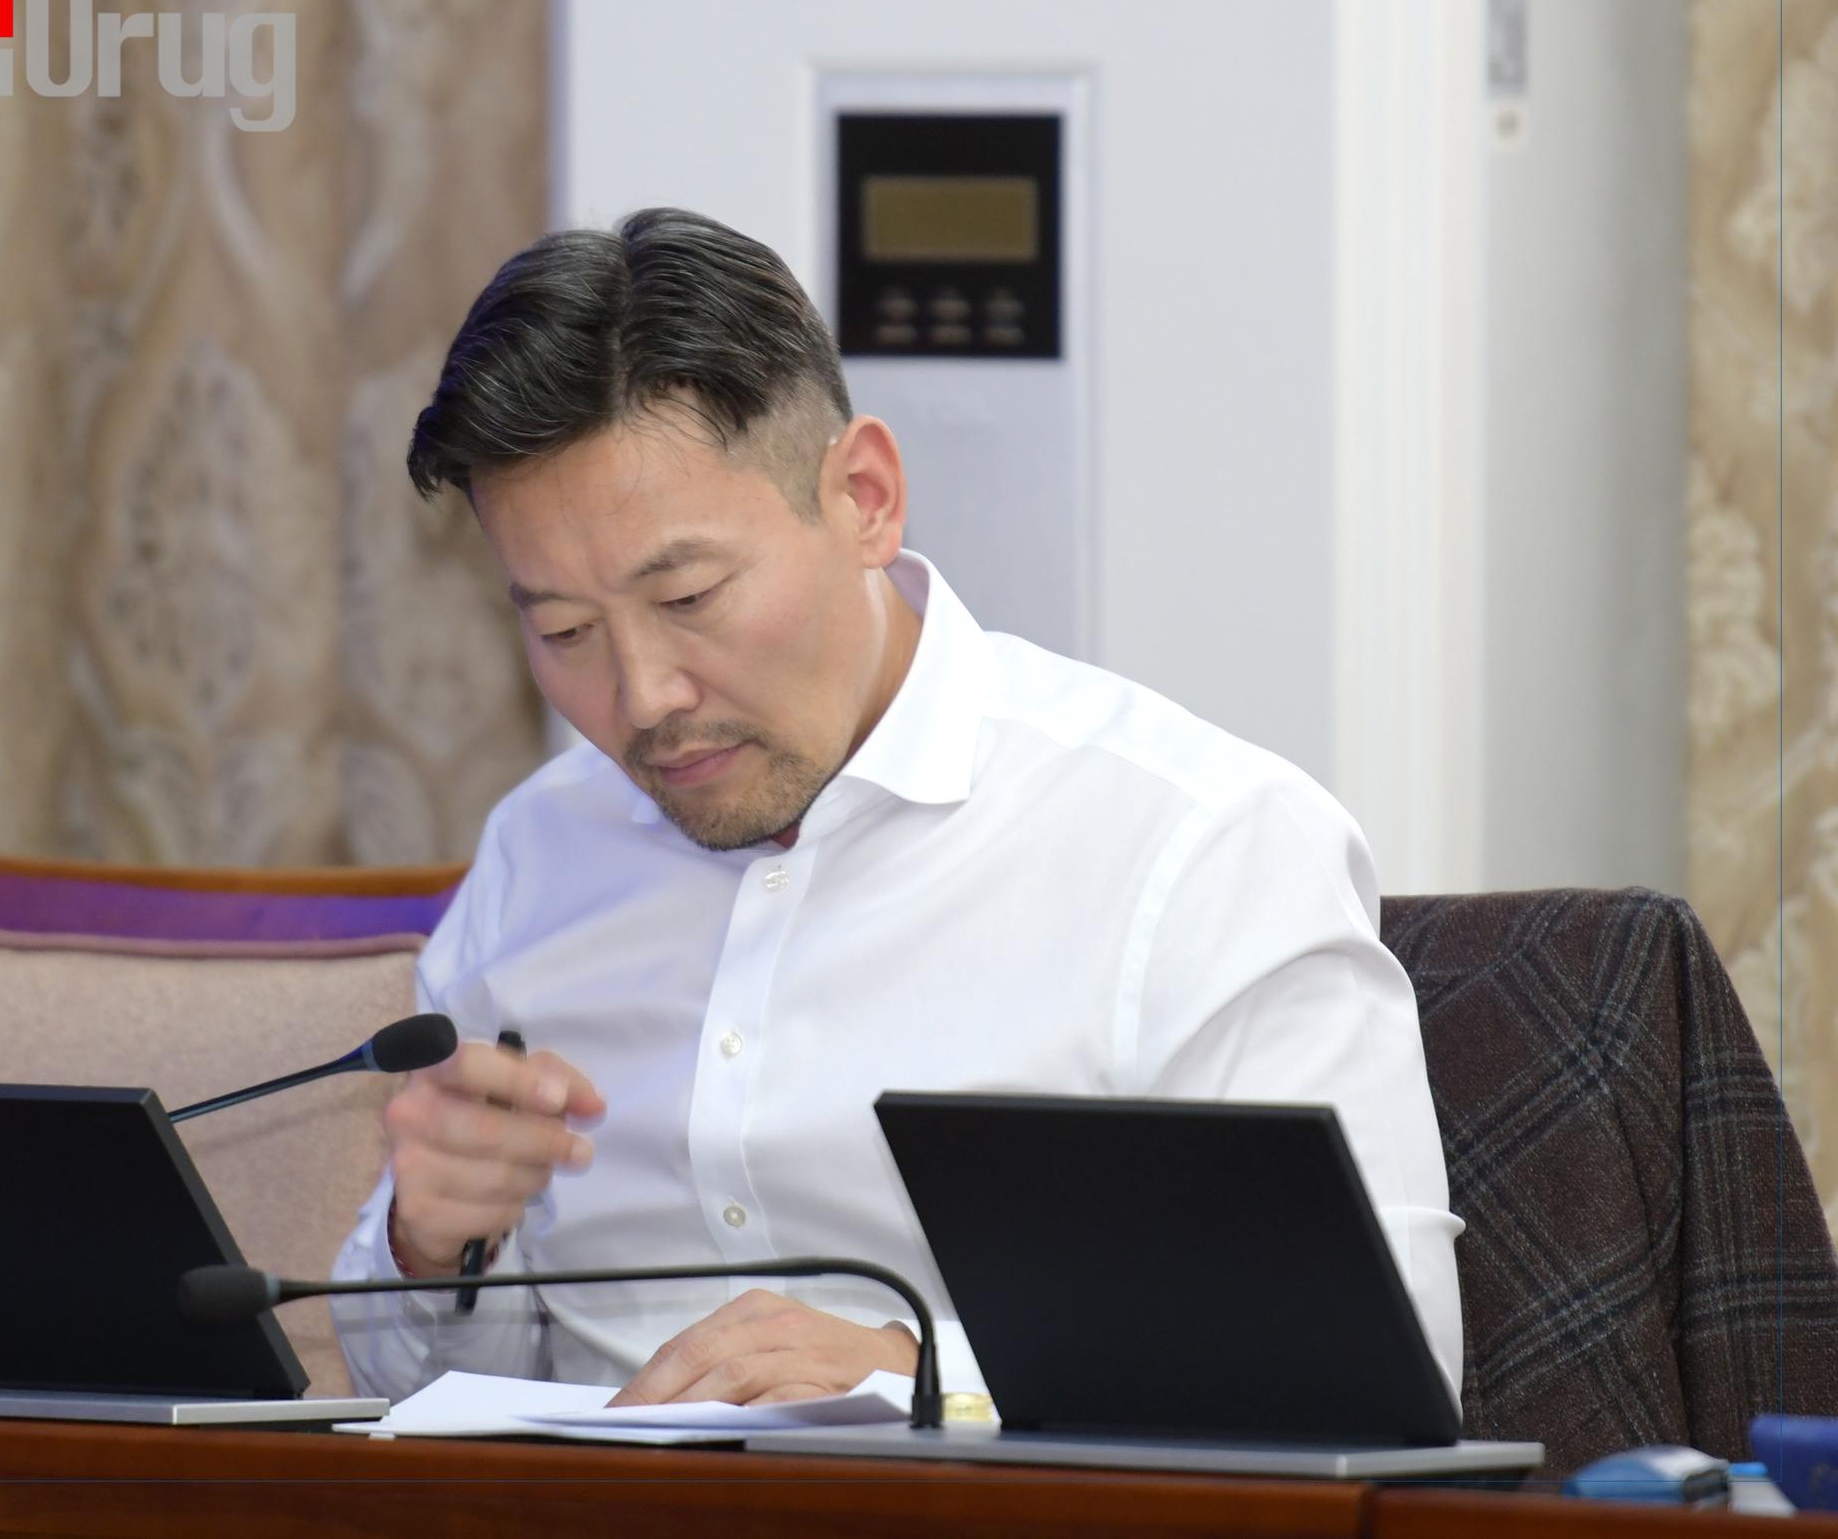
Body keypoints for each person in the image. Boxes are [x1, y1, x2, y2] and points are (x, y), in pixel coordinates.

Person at [330, 206, 1463, 1408]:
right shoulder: (538, 855)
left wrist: (922, 1377)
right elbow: (424, 1394)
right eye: (563, 630)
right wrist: (430, 1250)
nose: (642, 697)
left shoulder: (1195, 849)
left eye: (690, 598)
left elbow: (1373, 1379)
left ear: (863, 497)